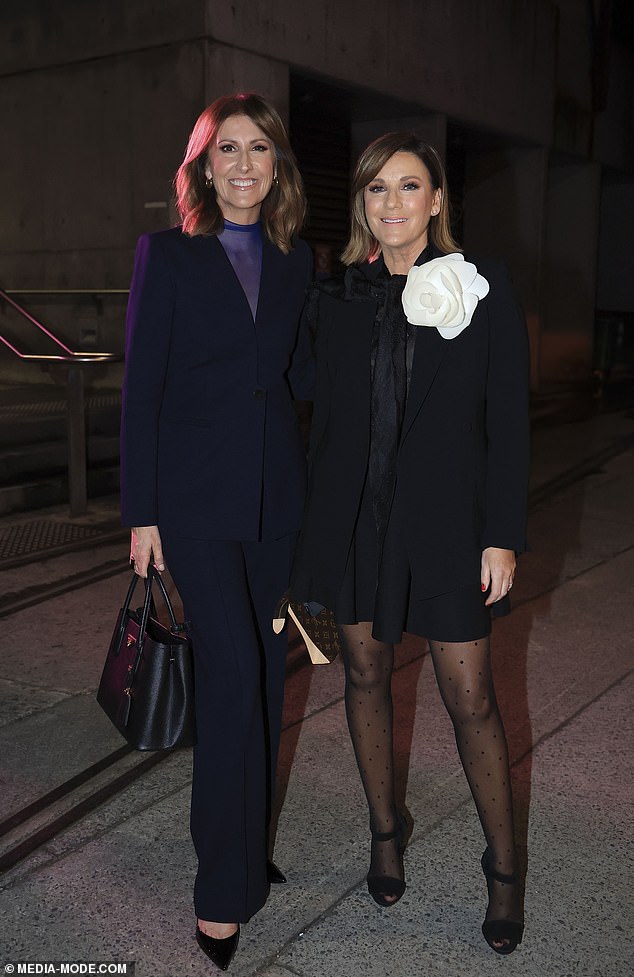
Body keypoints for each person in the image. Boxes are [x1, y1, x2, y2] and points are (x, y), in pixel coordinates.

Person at [290, 132, 529, 955]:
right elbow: (311, 426)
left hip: (448, 527)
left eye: (409, 186)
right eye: (376, 189)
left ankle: (506, 866)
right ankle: (385, 832)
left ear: (436, 201)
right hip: (354, 524)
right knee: (360, 676)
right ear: (361, 204)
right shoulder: (336, 299)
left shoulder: (480, 290)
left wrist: (502, 536)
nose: (391, 202)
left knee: (472, 700)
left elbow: (508, 424)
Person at [120, 93, 313, 971]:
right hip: (194, 506)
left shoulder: (295, 259)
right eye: (226, 149)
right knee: (233, 676)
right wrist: (141, 512)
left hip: (274, 503)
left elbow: (306, 372)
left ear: (277, 168)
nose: (243, 164)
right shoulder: (166, 255)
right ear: (204, 166)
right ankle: (218, 890)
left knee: (266, 679)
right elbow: (141, 390)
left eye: (259, 149)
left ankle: (246, 847)